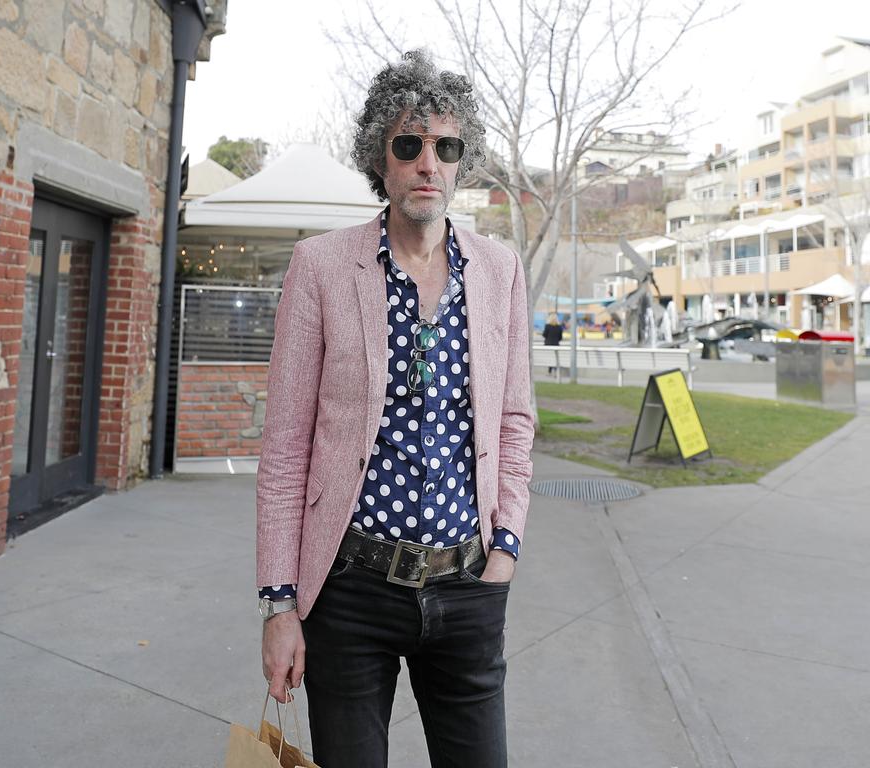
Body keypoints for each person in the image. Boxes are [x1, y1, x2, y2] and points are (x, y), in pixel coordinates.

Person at [255, 49, 534, 768]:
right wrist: (280, 605)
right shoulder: (320, 267)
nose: (427, 164)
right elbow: (286, 447)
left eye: (446, 147)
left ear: (462, 161)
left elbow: (513, 422)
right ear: (379, 157)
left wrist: (505, 548)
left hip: (468, 586)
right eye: (408, 145)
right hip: (350, 594)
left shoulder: (499, 270)